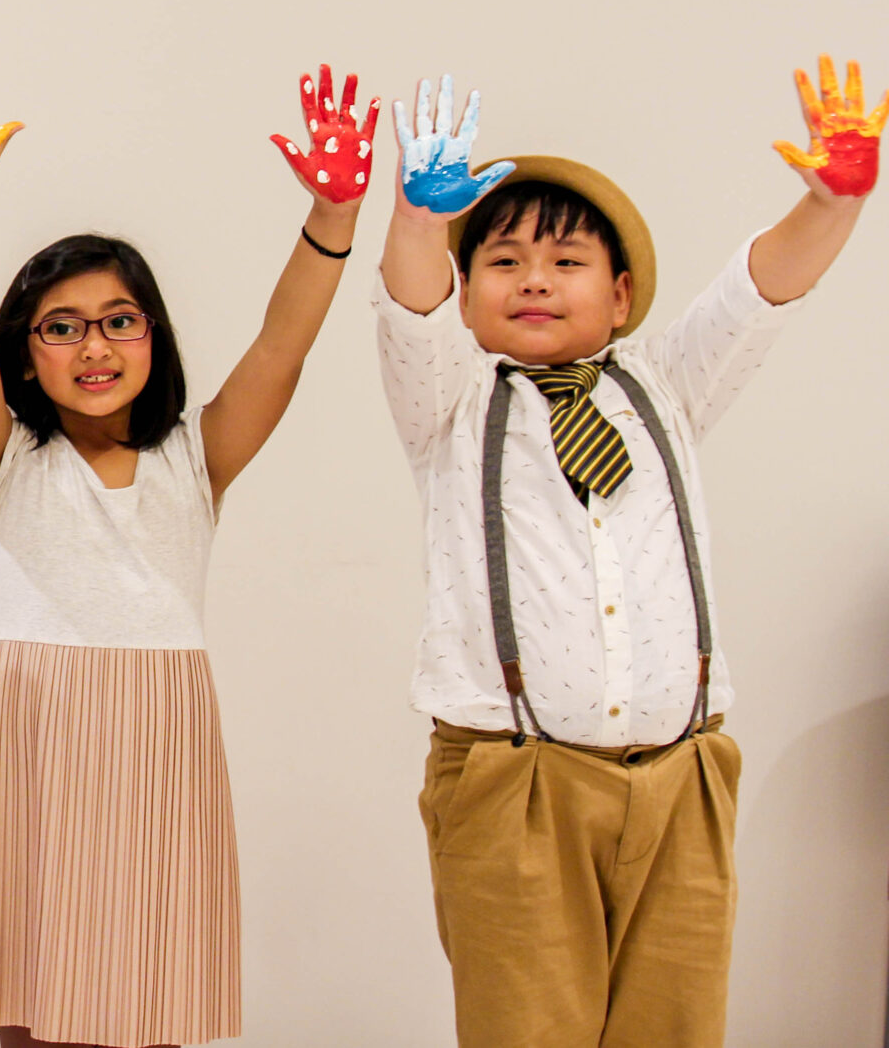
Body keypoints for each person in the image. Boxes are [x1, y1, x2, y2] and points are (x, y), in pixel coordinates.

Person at [376, 62, 878, 1047]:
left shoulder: (666, 387)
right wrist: (419, 222)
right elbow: (410, 312)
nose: (532, 277)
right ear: (467, 299)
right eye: (503, 260)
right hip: (516, 780)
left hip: (682, 773)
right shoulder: (450, 403)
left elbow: (757, 295)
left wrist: (831, 203)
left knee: (674, 1026)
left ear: (620, 296)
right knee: (527, 1030)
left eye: (565, 261)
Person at [0, 57, 378, 1047]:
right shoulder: (5, 458)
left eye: (118, 322)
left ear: (153, 334)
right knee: (33, 998)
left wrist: (332, 216)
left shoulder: (194, 457)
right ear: (25, 352)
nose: (94, 348)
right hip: (29, 730)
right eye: (61, 328)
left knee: (150, 994)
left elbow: (281, 346)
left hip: (156, 737)